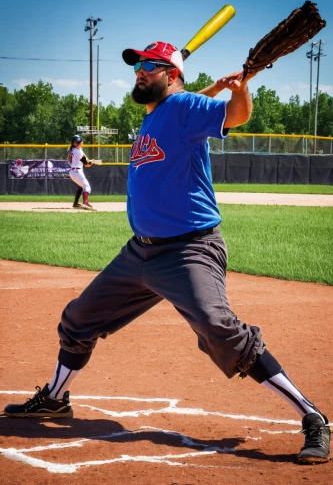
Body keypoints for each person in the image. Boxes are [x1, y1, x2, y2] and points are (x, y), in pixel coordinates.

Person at [4, 41, 330, 465]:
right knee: (79, 319)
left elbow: (237, 115)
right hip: (139, 253)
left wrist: (240, 87)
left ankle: (313, 417)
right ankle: (55, 398)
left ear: (172, 75)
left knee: (221, 328)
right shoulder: (159, 113)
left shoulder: (183, 107)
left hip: (188, 250)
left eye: (150, 67)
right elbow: (181, 110)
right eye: (138, 66)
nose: (139, 72)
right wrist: (211, 86)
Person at [67, 135, 94, 210]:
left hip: (72, 171)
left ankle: (76, 203)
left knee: (81, 186)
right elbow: (86, 164)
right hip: (77, 171)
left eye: (79, 142)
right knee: (87, 187)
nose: (79, 143)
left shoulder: (71, 149)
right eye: (77, 142)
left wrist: (89, 161)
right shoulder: (79, 151)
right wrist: (91, 162)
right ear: (74, 143)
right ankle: (85, 202)